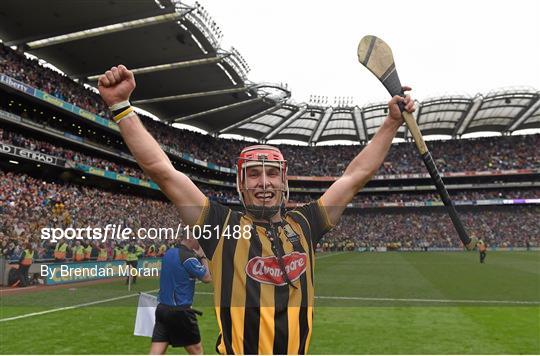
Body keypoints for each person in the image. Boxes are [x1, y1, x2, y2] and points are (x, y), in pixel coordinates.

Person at [98, 65, 415, 354]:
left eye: (272, 173)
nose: (264, 182)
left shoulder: (307, 223)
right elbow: (162, 171)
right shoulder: (220, 226)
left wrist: (390, 123)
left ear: (283, 180)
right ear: (241, 183)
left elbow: (355, 176)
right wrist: (120, 107)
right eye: (254, 174)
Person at [150, 238, 211, 355]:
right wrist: (203, 257)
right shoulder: (188, 257)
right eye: (198, 238)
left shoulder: (168, 253)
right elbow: (207, 278)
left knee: (156, 352)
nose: (199, 242)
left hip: (162, 309)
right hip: (180, 311)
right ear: (190, 239)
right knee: (197, 352)